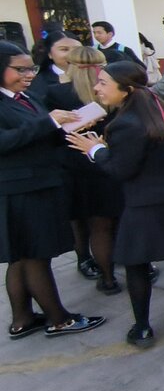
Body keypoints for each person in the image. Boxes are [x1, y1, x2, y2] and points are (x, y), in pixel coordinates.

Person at [66, 62, 164, 348]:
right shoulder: (159, 108)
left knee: (136, 263)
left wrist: (95, 150)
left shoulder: (126, 123)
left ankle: (142, 328)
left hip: (146, 202)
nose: (97, 87)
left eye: (103, 82)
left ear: (125, 90)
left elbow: (120, 171)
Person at [1, 41, 106, 340]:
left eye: (30, 68)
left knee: (20, 257)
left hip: (39, 182)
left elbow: (41, 135)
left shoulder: (26, 97)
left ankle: (22, 319)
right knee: (36, 255)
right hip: (20, 189)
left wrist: (74, 126)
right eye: (19, 70)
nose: (28, 74)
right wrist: (49, 121)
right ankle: (59, 319)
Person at [49, 46, 123, 296]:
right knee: (115, 222)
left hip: (75, 168)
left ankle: (107, 278)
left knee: (89, 224)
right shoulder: (113, 91)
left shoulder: (57, 93)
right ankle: (136, 267)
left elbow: (50, 136)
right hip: (108, 161)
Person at [28, 29, 79, 107]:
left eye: (77, 49)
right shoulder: (39, 82)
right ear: (49, 54)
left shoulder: (95, 74)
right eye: (64, 49)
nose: (72, 54)